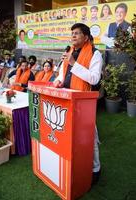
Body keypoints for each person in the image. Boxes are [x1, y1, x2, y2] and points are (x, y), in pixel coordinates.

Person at [54, 23, 103, 183]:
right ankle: (73, 164)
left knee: (90, 136)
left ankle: (95, 169)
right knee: (68, 134)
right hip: (66, 99)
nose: (73, 36)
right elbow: (61, 73)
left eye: (77, 33)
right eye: (72, 33)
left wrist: (74, 63)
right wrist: (58, 81)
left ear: (86, 37)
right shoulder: (69, 51)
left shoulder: (95, 54)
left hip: (84, 102)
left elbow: (94, 79)